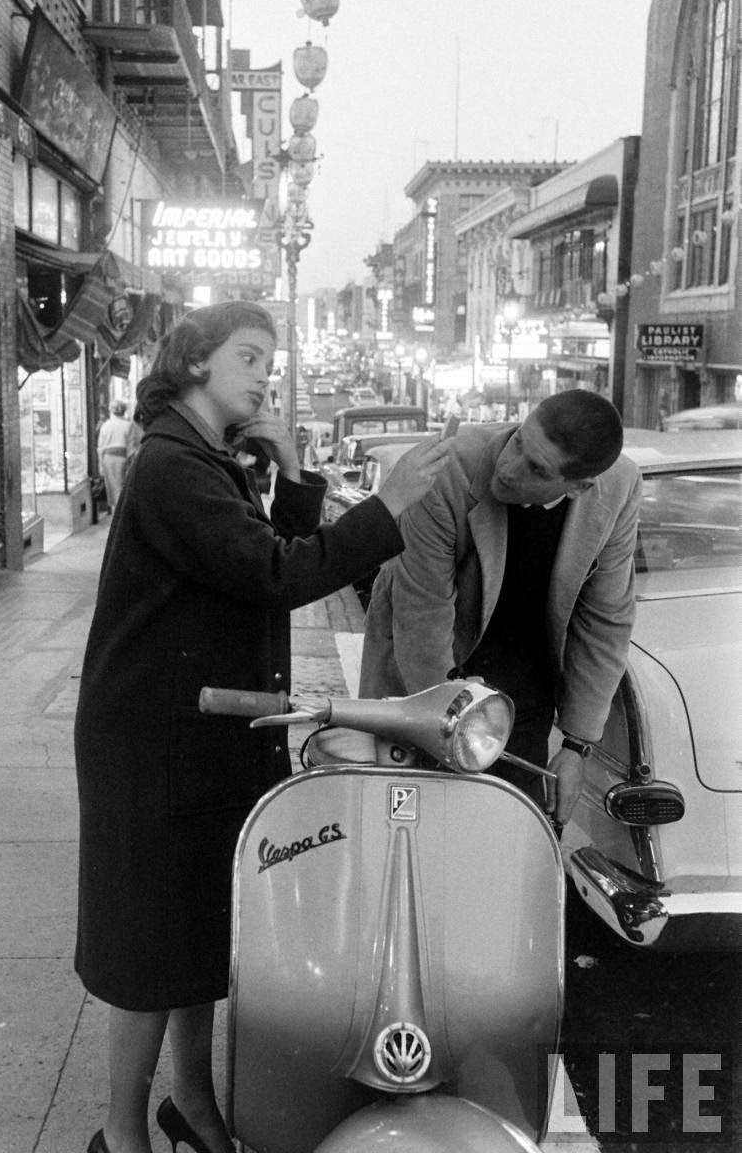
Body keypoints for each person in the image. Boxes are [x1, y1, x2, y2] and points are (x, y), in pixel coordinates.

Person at [74, 300, 451, 1153]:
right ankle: (119, 1133)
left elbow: (260, 566)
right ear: (194, 361)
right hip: (155, 740)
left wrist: (294, 473)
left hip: (207, 728)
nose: (263, 377)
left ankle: (191, 1102)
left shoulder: (210, 459)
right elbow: (275, 573)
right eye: (247, 357)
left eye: (267, 363)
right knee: (148, 948)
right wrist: (387, 505)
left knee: (199, 935)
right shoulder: (172, 465)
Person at [360, 389, 642, 827]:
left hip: (523, 695)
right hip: (422, 681)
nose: (508, 469)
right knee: (411, 834)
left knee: (507, 837)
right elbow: (422, 613)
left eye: (536, 468)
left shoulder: (619, 487)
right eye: (518, 441)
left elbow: (605, 620)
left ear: (579, 487)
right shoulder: (448, 469)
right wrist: (448, 723)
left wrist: (576, 747)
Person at [96, 400, 133, 511]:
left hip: (108, 458)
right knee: (122, 486)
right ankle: (121, 511)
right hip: (122, 457)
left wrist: (100, 465)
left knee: (112, 488)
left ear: (111, 411)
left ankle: (115, 511)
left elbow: (100, 447)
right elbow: (131, 446)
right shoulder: (128, 425)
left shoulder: (106, 425)